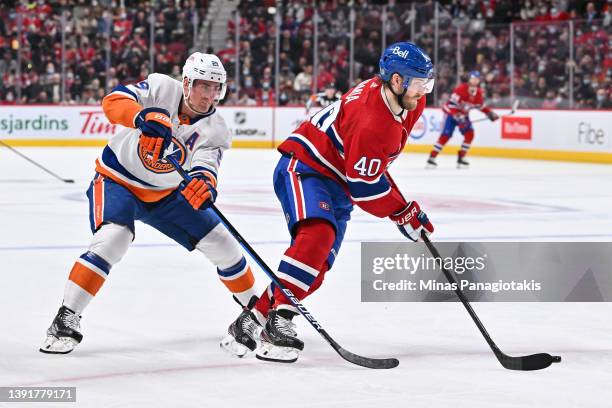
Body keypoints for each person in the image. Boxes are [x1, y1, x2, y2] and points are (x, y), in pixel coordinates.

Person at [221, 42, 435, 363]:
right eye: (419, 83)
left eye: (427, 82)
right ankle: (281, 320)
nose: (424, 91)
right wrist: (401, 212)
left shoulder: (408, 101)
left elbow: (373, 169)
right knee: (317, 236)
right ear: (396, 81)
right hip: (306, 167)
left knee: (317, 264)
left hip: (337, 181)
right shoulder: (371, 119)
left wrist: (405, 211)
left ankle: (251, 320)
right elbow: (364, 188)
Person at [40, 52, 259, 354]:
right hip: (119, 178)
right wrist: (141, 115)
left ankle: (256, 315)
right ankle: (66, 317)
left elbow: (206, 166)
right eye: (203, 86)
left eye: (215, 88)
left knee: (223, 243)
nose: (209, 95)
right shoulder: (159, 88)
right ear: (186, 83)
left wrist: (204, 183)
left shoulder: (217, 130)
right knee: (113, 238)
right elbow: (112, 102)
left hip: (168, 194)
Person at [426, 71, 499, 168]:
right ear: (469, 79)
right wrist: (456, 115)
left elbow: (480, 106)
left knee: (470, 134)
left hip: (464, 117)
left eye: (477, 79)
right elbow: (448, 106)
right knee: (445, 136)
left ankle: (461, 158)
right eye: (473, 78)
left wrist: (489, 113)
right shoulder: (461, 89)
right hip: (452, 116)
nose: (475, 81)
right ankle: (432, 158)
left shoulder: (478, 92)